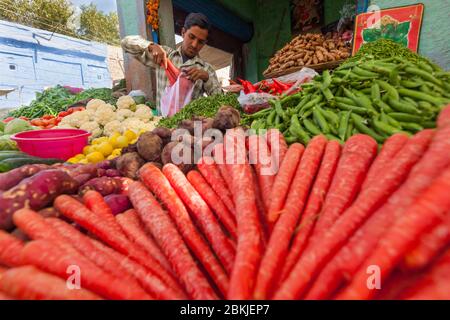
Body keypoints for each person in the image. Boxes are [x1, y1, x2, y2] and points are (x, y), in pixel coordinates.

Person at [121, 12, 223, 114]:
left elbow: (221, 102)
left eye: (200, 42)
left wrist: (207, 78)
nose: (194, 44)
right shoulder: (164, 56)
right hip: (162, 125)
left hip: (188, 127)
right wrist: (150, 46)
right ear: (183, 32)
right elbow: (125, 42)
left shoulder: (206, 69)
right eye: (191, 37)